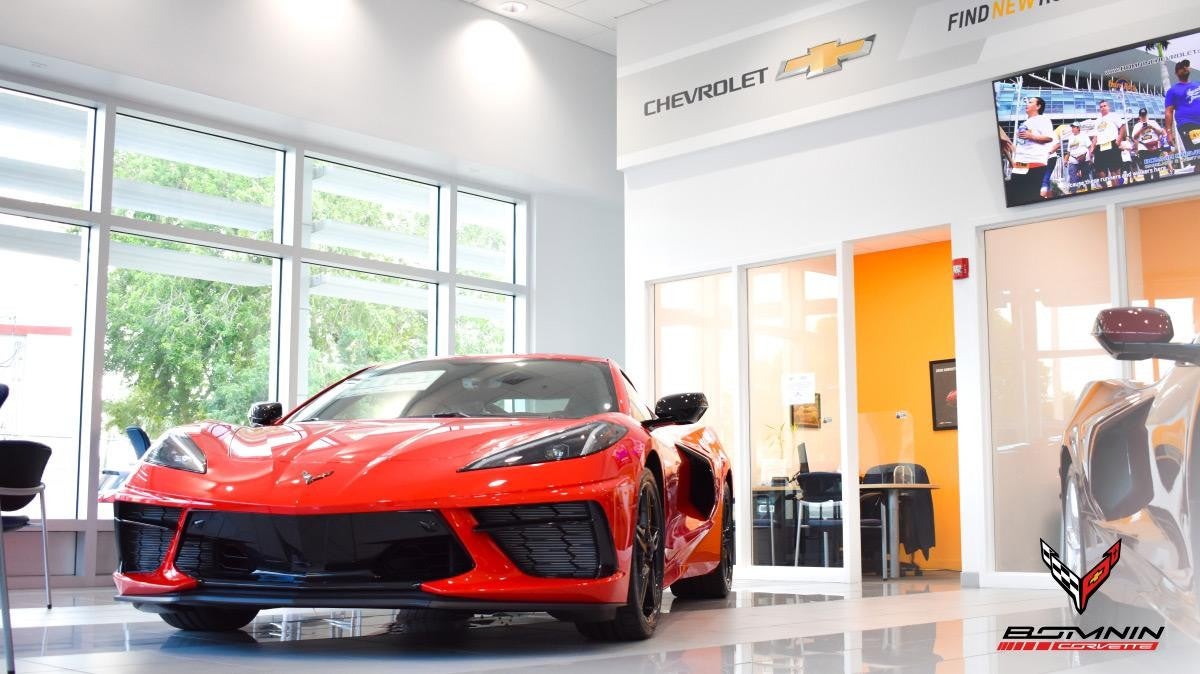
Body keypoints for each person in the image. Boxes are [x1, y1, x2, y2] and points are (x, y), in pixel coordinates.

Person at [1006, 96, 1054, 205]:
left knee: (1029, 197)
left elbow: (1049, 138)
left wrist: (1030, 136)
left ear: (1038, 106)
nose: (1026, 104)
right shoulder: (1025, 122)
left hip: (1034, 162)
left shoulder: (1043, 119)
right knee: (1015, 197)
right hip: (1020, 164)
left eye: (1030, 102)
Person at [1165, 59, 1200, 163]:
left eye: (1186, 66)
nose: (1184, 68)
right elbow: (1168, 112)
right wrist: (1169, 133)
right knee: (1197, 158)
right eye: (1181, 67)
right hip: (1188, 125)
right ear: (1176, 73)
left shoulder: (1198, 84)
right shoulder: (1172, 91)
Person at [1089, 100, 1126, 189]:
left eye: (1105, 106)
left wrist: (1118, 140)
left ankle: (1117, 190)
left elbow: (1122, 127)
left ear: (1108, 107)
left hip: (1112, 144)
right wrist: (1092, 148)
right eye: (1101, 106)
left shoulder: (1113, 116)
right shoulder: (1097, 121)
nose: (1103, 108)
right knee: (1100, 173)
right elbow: (1095, 136)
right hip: (1100, 147)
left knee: (1114, 171)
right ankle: (1106, 190)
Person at [1131, 107, 1167, 181]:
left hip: (1154, 147)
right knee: (1146, 169)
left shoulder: (1153, 122)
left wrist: (1152, 127)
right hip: (1143, 148)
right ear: (1139, 116)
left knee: (1155, 168)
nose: (1143, 117)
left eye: (1144, 115)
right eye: (1142, 115)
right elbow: (1134, 137)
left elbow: (1161, 132)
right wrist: (1141, 129)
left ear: (1147, 115)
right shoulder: (1137, 125)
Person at [1065, 123, 1092, 192]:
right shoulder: (1070, 137)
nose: (1073, 129)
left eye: (1074, 127)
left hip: (1084, 158)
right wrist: (1066, 160)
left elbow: (1089, 147)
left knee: (1085, 176)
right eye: (1072, 127)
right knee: (1072, 177)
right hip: (1073, 159)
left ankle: (1090, 190)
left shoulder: (1084, 135)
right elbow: (1068, 151)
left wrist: (1091, 157)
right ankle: (1073, 193)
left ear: (1078, 128)